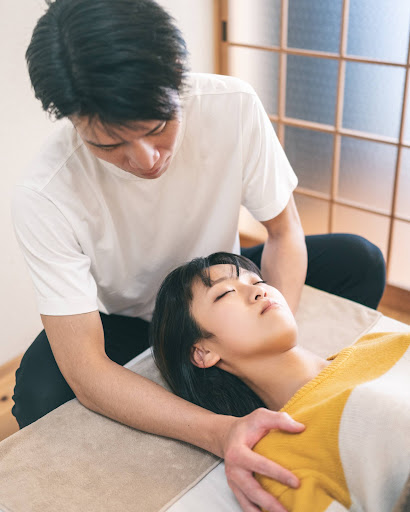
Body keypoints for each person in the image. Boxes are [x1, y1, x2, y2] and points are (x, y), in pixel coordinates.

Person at [11, 1, 385, 511]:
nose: (145, 160)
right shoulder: (46, 193)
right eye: (110, 146)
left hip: (217, 279)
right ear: (73, 121)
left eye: (156, 127)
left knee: (359, 259)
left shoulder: (232, 104)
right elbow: (87, 369)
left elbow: (284, 232)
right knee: (38, 390)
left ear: (177, 77)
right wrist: (220, 431)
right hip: (130, 317)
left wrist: (270, 344)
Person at [151, 251, 410, 512]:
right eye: (225, 293)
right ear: (202, 352)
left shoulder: (380, 343)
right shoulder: (277, 458)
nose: (258, 291)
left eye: (258, 281)